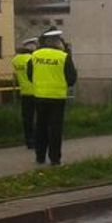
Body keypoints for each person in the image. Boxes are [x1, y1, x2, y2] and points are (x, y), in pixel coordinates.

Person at [27, 31, 77, 166]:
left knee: (40, 127)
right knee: (55, 129)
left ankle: (40, 157)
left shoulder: (35, 55)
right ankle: (55, 159)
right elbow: (72, 78)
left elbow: (30, 75)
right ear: (58, 42)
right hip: (57, 97)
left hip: (39, 96)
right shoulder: (63, 56)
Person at [10, 38, 38, 149]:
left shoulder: (15, 60)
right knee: (38, 118)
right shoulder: (32, 59)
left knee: (27, 118)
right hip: (36, 91)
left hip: (24, 92)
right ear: (32, 47)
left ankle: (28, 140)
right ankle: (37, 140)